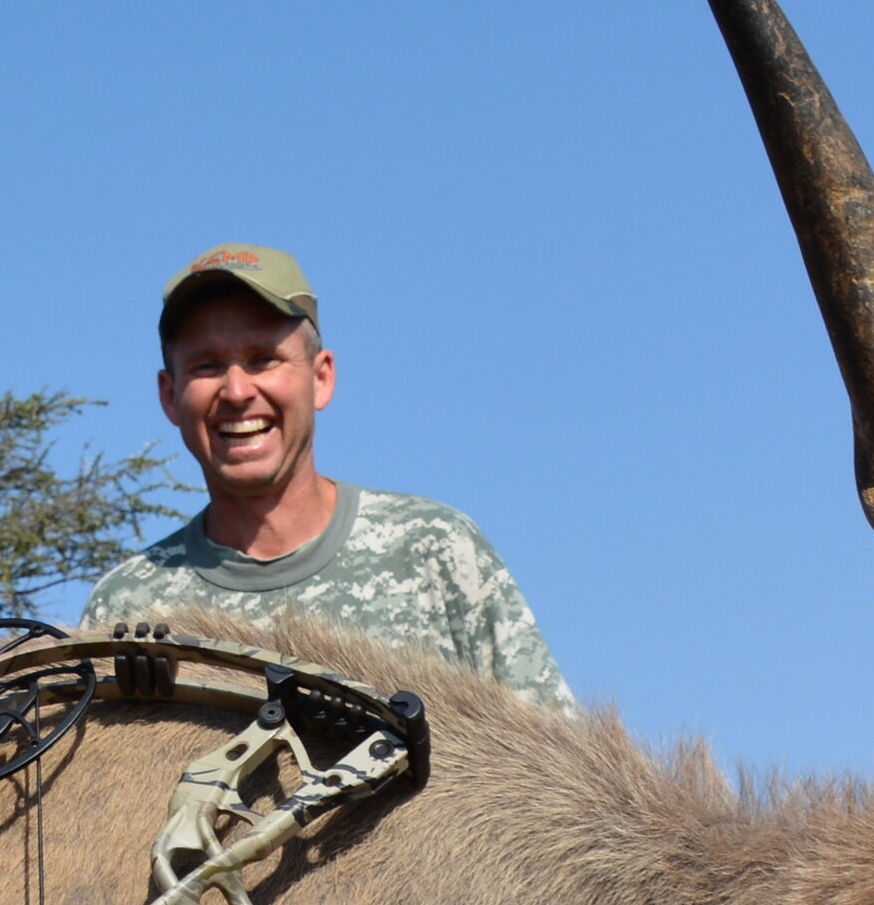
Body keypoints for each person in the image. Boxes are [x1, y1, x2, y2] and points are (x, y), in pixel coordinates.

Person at [78, 243, 576, 719]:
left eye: (262, 359)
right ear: (170, 396)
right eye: (206, 366)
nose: (235, 391)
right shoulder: (126, 605)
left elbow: (553, 772)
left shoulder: (435, 549)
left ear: (321, 378)